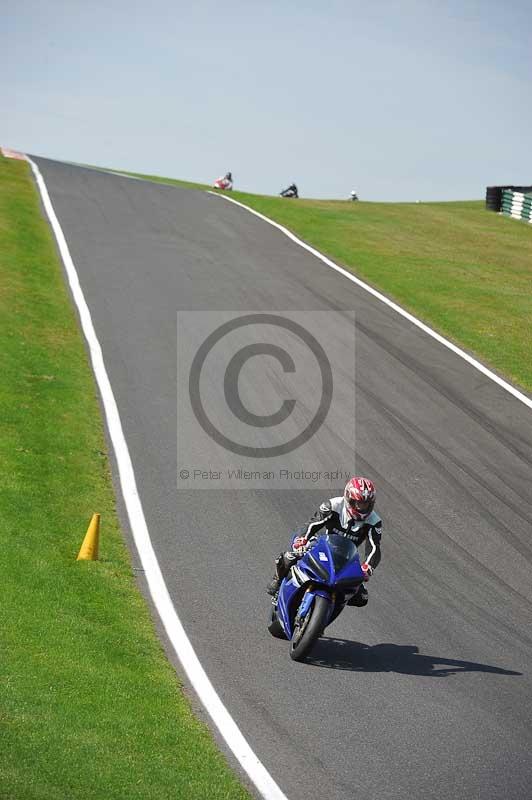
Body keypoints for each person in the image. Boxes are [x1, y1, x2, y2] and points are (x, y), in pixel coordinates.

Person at [267, 477, 382, 606]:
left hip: (346, 557)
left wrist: (368, 567)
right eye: (358, 503)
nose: (362, 508)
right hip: (321, 544)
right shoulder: (333, 506)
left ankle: (331, 606)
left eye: (366, 504)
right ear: (349, 498)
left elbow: (374, 548)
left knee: (362, 598)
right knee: (292, 555)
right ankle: (278, 579)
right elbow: (313, 524)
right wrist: (303, 539)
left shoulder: (374, 521)